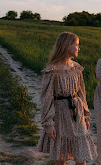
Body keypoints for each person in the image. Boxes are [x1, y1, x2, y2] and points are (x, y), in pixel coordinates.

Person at [36, 32, 97, 165]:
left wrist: (86, 115)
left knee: (81, 155)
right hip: (60, 115)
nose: (78, 48)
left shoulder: (76, 68)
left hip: (77, 114)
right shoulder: (51, 70)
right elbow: (46, 98)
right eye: (76, 45)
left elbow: (82, 93)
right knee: (61, 156)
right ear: (67, 45)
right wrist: (48, 123)